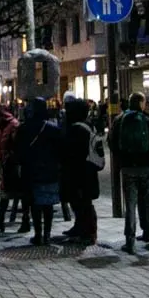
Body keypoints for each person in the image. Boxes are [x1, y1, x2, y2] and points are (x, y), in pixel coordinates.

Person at [110, 93, 149, 255]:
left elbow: (111, 142)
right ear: (140, 103)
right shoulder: (147, 120)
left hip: (128, 168)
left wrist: (122, 158)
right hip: (147, 168)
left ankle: (130, 242)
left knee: (130, 206)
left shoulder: (120, 120)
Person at [18, 99, 64, 246]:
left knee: (35, 204)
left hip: (31, 171)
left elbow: (18, 151)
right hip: (49, 170)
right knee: (48, 204)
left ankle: (38, 234)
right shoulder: (52, 128)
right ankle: (47, 234)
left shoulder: (24, 128)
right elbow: (59, 150)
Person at [59, 97, 100, 247]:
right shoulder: (87, 126)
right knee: (80, 203)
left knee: (83, 203)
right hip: (86, 172)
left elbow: (71, 152)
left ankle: (88, 233)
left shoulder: (78, 129)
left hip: (80, 173)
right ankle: (80, 228)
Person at [0, 105, 25, 233]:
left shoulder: (12, 126)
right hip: (8, 165)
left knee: (19, 193)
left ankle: (24, 221)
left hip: (13, 166)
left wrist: (10, 157)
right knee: (5, 193)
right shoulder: (4, 126)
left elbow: (17, 145)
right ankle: (0, 220)